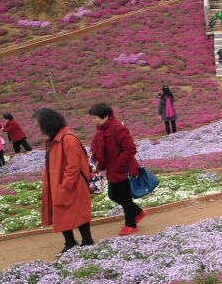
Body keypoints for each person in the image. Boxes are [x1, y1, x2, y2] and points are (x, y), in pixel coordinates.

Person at [34, 108, 94, 253]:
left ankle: (87, 241)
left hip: (70, 184)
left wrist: (65, 185)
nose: (38, 128)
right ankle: (71, 242)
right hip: (60, 183)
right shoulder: (53, 138)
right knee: (61, 214)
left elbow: (73, 166)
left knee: (78, 212)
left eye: (38, 124)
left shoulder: (67, 138)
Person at [89, 103, 145, 236]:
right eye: (92, 118)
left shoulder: (118, 128)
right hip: (111, 169)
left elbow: (130, 148)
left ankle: (131, 224)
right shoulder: (101, 130)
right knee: (113, 195)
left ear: (106, 116)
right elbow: (98, 148)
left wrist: (120, 163)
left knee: (125, 198)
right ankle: (138, 212)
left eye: (95, 117)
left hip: (122, 169)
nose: (93, 120)